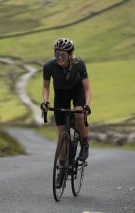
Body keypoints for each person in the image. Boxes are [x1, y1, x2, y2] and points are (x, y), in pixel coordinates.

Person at [41, 38, 92, 188]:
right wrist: (45, 101)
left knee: (78, 114)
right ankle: (62, 169)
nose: (59, 58)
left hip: (77, 91)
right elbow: (45, 86)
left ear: (70, 55)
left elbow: (87, 88)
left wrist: (86, 106)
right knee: (61, 131)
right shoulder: (49, 66)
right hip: (60, 94)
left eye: (63, 55)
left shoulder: (79, 64)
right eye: (57, 54)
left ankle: (85, 143)